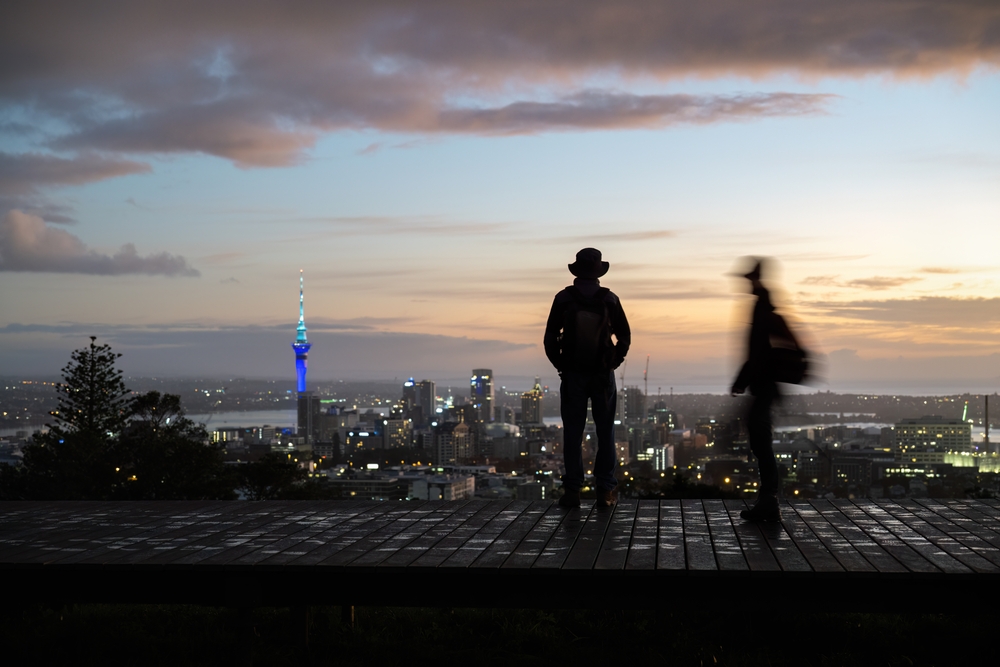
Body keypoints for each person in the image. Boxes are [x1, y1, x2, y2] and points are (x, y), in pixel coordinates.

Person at [544, 248, 630, 508]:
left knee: (573, 433)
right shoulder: (610, 299)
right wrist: (613, 362)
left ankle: (572, 491)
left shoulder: (563, 298)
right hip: (602, 375)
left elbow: (550, 338)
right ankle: (605, 491)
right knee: (606, 432)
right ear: (598, 272)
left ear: (577, 270)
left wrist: (562, 366)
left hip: (573, 374)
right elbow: (624, 337)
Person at [731, 259, 801, 523]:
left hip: (764, 385)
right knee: (761, 440)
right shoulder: (763, 308)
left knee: (761, 440)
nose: (747, 284)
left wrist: (742, 379)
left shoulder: (761, 310)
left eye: (750, 279)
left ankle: (769, 501)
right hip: (764, 384)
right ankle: (768, 500)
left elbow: (758, 352)